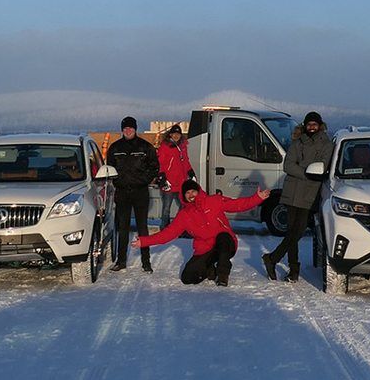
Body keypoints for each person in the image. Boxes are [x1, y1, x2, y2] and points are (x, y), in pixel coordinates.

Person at [132, 180, 270, 286]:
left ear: (198, 191)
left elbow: (237, 205)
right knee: (188, 278)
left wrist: (257, 198)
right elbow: (167, 234)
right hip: (205, 249)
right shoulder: (184, 215)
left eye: (193, 191)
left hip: (225, 245)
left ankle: (223, 275)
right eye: (187, 193)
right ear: (183, 196)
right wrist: (144, 241)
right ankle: (211, 270)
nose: (191, 195)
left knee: (223, 237)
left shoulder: (214, 200)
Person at [263, 111, 332, 282]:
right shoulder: (297, 143)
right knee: (291, 232)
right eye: (309, 125)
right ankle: (293, 271)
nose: (312, 127)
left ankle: (272, 259)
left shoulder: (326, 144)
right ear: (305, 125)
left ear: (320, 125)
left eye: (315, 124)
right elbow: (288, 165)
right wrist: (307, 173)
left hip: (309, 193)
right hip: (292, 192)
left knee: (297, 232)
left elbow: (323, 165)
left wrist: (306, 171)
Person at [106, 116, 159, 272]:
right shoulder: (115, 148)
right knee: (123, 228)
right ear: (122, 130)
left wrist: (143, 180)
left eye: (131, 128)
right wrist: (117, 181)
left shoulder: (145, 147)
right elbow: (109, 168)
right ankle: (121, 261)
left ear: (135, 129)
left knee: (143, 227)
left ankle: (146, 262)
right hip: (122, 193)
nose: (128, 131)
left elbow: (154, 166)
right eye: (125, 128)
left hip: (140, 192)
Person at [156, 123, 194, 229]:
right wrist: (162, 176)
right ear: (170, 135)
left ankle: (180, 227)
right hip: (169, 182)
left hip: (181, 182)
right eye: (174, 134)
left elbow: (186, 161)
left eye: (178, 134)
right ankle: (165, 228)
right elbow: (160, 163)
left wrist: (190, 171)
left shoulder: (182, 147)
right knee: (166, 208)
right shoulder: (165, 146)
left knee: (184, 206)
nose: (176, 136)